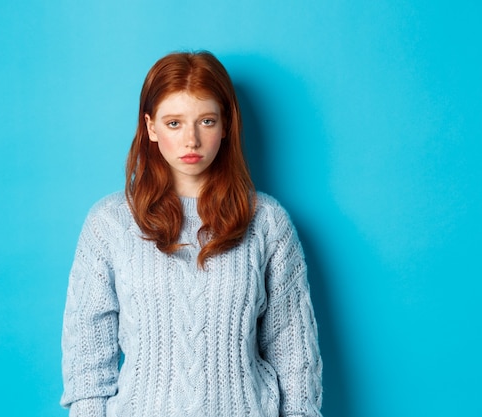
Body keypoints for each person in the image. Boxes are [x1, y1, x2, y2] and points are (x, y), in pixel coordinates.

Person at [60, 51, 323, 417]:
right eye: (174, 123)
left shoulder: (267, 223)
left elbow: (294, 358)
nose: (192, 140)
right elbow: (87, 364)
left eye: (206, 121)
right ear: (150, 127)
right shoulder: (110, 223)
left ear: (226, 124)